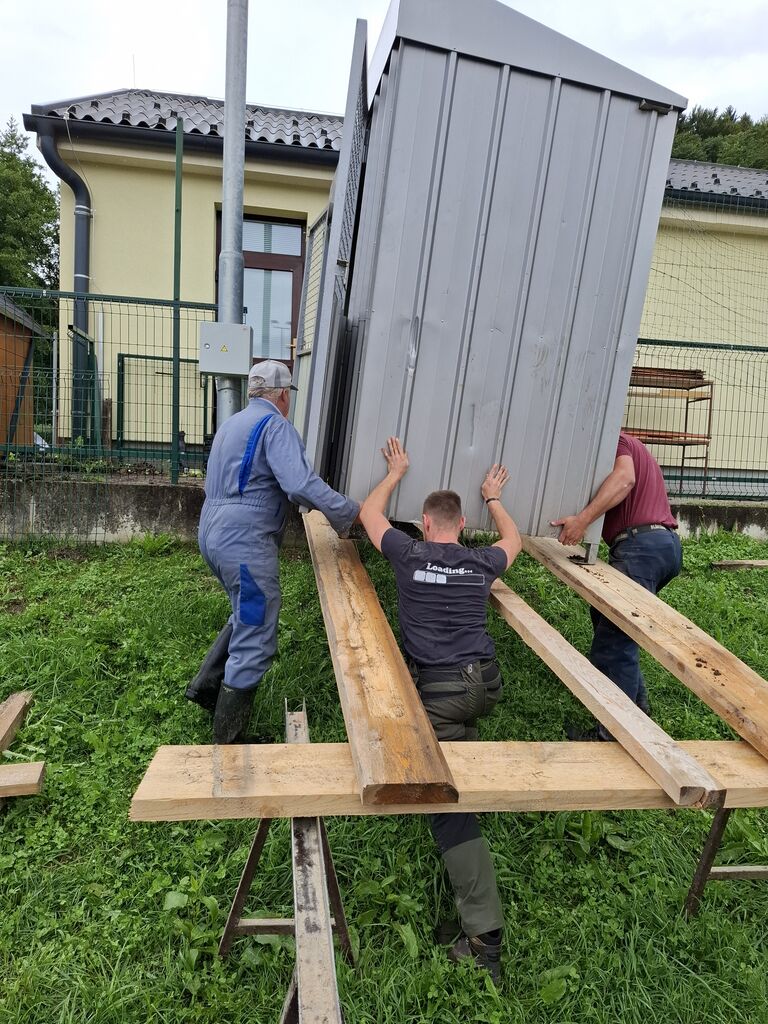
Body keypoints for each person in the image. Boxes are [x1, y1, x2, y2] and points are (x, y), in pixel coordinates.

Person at [358, 437, 522, 984]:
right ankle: (474, 914)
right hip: (486, 684)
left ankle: (485, 940)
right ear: (462, 524)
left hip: (443, 693)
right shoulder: (481, 562)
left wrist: (395, 471)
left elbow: (369, 514)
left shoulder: (408, 554)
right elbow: (514, 540)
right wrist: (493, 497)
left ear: (425, 525)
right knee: (458, 763)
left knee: (445, 804)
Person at [187, 359, 359, 743]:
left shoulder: (232, 424)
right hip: (244, 543)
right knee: (256, 625)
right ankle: (229, 740)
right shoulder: (275, 425)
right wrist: (348, 513)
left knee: (245, 609)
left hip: (212, 534)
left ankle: (208, 687)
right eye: (288, 396)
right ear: (282, 395)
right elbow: (300, 484)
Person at [551, 431, 682, 736]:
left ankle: (612, 735)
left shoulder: (614, 439)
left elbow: (625, 479)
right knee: (610, 623)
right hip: (660, 546)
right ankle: (637, 708)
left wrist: (582, 520)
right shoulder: (632, 446)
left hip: (641, 548)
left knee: (612, 644)